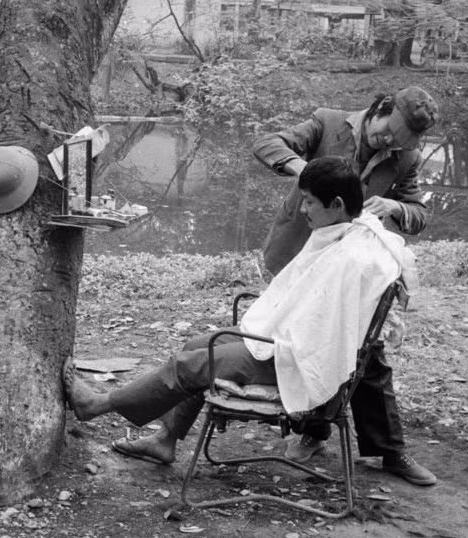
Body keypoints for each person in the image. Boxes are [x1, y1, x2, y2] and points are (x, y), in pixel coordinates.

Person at [63, 158, 420, 481]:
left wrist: (276, 333)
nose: (303, 210)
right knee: (197, 345)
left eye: (310, 202)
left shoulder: (353, 257)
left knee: (191, 364)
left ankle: (96, 405)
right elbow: (309, 305)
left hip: (296, 360)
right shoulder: (350, 232)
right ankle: (165, 440)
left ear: (337, 204)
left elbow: (320, 331)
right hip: (289, 341)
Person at [251, 86, 438, 485]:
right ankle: (313, 430)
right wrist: (307, 174)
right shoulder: (327, 122)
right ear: (381, 109)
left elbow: (420, 215)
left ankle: (389, 451)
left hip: (346, 271)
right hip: (297, 256)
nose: (388, 144)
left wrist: (394, 206)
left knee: (366, 353)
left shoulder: (406, 159)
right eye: (387, 133)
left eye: (399, 143)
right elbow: (267, 143)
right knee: (300, 341)